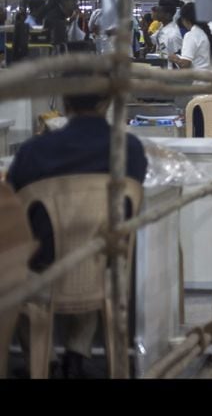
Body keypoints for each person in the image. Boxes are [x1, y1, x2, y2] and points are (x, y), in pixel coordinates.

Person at [6, 68, 148, 378]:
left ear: (66, 102)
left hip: (43, 273)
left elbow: (14, 209)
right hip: (103, 270)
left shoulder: (33, 152)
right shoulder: (131, 150)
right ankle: (76, 355)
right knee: (92, 252)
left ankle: (41, 362)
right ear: (108, 101)